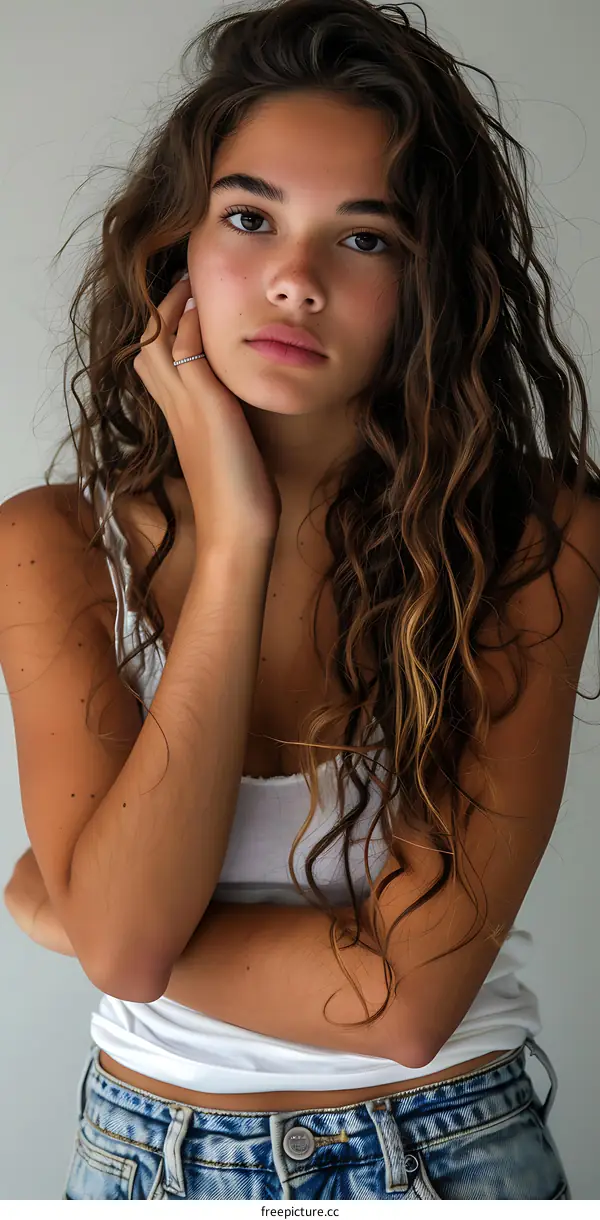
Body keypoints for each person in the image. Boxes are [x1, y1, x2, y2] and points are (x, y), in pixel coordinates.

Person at [1, 0, 598, 1201]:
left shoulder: (532, 532)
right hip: (140, 1157)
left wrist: (66, 911)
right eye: (249, 216)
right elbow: (131, 938)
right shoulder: (56, 543)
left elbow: (404, 1006)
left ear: (432, 278)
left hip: (444, 1144)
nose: (294, 279)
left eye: (365, 237)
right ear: (178, 247)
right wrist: (237, 544)